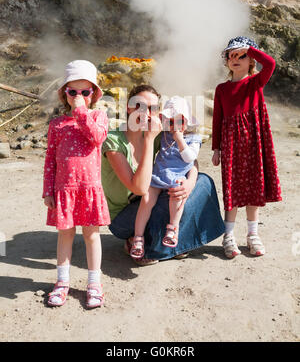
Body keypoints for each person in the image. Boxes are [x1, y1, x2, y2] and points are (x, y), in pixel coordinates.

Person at [102, 84, 225, 266]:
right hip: (122, 218)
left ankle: (157, 240)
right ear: (128, 107)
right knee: (164, 198)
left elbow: (189, 161)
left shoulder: (160, 134)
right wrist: (150, 140)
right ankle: (154, 247)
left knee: (202, 182)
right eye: (139, 106)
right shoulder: (113, 141)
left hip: (148, 202)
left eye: (152, 108)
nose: (146, 113)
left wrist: (189, 183)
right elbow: (139, 188)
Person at [43, 60, 110, 308]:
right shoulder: (57, 125)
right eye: (73, 92)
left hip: (89, 188)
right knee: (65, 234)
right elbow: (50, 158)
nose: (79, 96)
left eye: (85, 92)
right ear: (65, 94)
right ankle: (62, 282)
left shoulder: (98, 117)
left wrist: (82, 113)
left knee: (92, 235)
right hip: (64, 190)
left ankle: (94, 283)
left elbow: (97, 137)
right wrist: (48, 190)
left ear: (93, 95)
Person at [212, 36, 282, 259]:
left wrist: (250, 49)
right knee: (232, 190)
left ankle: (253, 235)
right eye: (230, 55)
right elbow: (217, 118)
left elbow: (270, 63)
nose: (235, 58)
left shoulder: (255, 83)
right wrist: (216, 148)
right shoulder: (221, 89)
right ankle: (228, 236)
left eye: (240, 55)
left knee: (254, 189)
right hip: (231, 144)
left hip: (254, 143)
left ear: (251, 60)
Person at [130, 96, 202, 258]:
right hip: (158, 175)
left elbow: (190, 158)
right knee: (146, 200)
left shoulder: (193, 139)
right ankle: (138, 237)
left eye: (179, 122)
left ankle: (172, 229)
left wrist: (180, 140)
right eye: (169, 122)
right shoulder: (164, 135)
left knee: (177, 196)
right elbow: (153, 120)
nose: (174, 126)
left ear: (187, 121)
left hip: (178, 176)